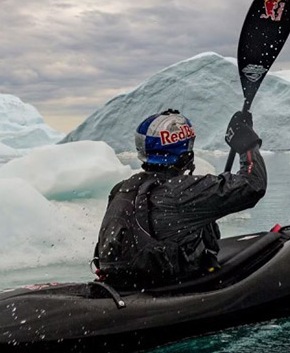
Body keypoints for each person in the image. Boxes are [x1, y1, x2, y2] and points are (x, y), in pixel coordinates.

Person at [92, 109, 266, 289]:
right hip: (169, 284)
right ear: (185, 151)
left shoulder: (122, 188)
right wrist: (246, 143)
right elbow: (253, 184)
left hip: (126, 283)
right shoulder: (181, 191)